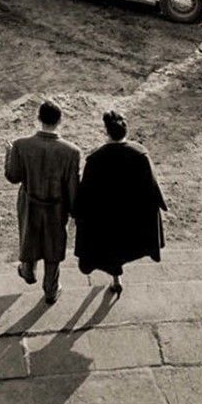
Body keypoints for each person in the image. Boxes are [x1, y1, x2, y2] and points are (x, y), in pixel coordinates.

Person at [74, 111, 167, 295]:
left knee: (110, 247)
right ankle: (116, 279)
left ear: (106, 132)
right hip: (131, 215)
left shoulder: (95, 158)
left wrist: (77, 211)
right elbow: (152, 185)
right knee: (123, 245)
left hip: (106, 215)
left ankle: (116, 278)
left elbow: (86, 192)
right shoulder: (140, 154)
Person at [4, 100, 80, 304]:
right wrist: (74, 211)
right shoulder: (71, 152)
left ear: (38, 118)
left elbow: (13, 176)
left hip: (30, 203)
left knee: (29, 237)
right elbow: (72, 187)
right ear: (60, 120)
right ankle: (51, 290)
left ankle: (28, 272)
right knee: (54, 248)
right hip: (56, 207)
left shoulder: (21, 145)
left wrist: (9, 154)